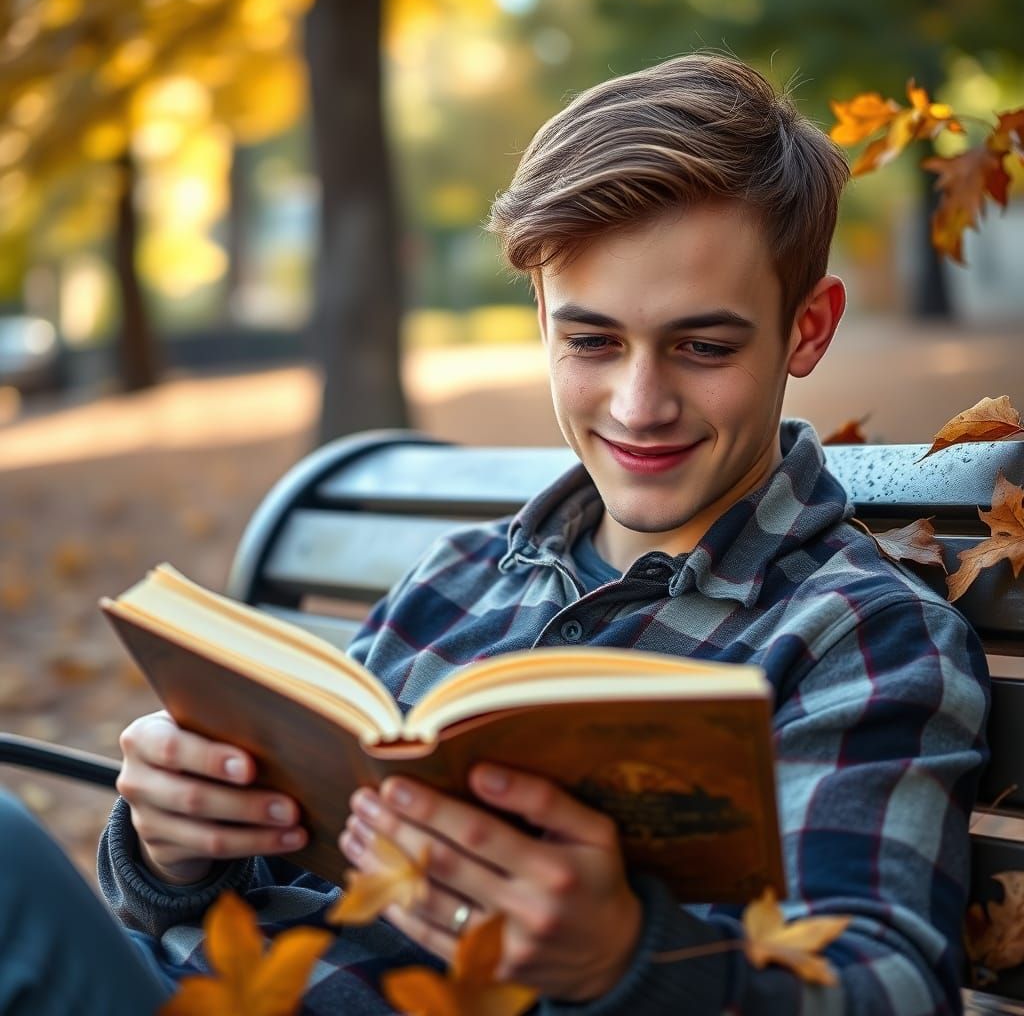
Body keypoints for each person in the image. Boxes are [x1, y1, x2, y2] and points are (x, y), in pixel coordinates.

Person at [12, 52, 989, 1015]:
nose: (638, 402)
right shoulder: (458, 575)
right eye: (592, 340)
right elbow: (239, 890)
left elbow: (889, 988)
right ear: (541, 319)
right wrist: (168, 849)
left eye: (702, 346)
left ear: (807, 329)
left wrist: (628, 957)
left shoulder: (854, 637)